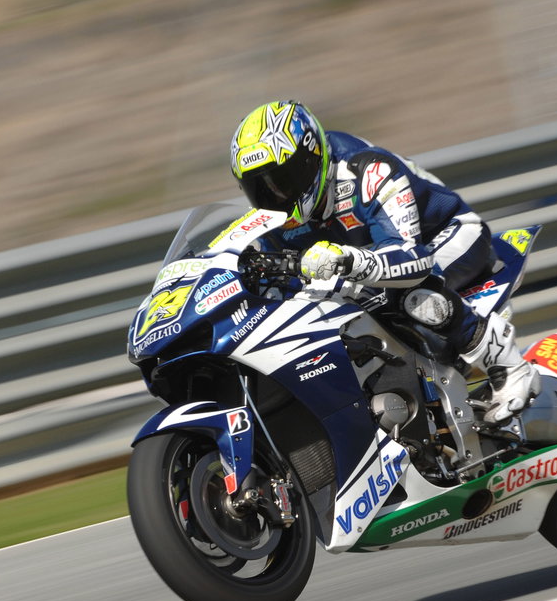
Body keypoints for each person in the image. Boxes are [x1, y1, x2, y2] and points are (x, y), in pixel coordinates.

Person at [229, 99, 537, 426]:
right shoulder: (272, 220)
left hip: (446, 236)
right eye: (260, 188)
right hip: (366, 262)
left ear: (311, 158)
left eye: (282, 180)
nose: (275, 196)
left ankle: (505, 361)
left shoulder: (366, 170)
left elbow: (413, 259)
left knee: (405, 292)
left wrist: (349, 259)